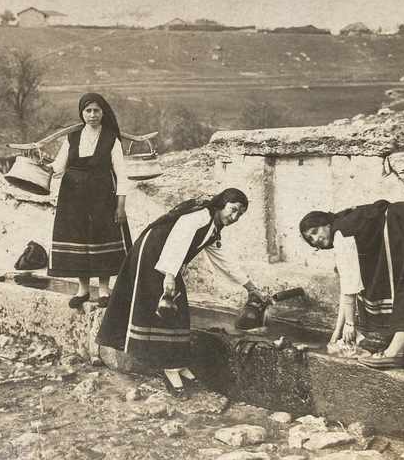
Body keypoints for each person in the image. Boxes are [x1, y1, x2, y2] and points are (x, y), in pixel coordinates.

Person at [96, 188, 268, 396]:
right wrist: (169, 276)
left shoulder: (213, 228)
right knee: (166, 311)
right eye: (232, 210)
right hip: (153, 255)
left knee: (176, 312)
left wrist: (250, 287)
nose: (234, 217)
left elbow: (223, 261)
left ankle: (178, 364)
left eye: (240, 214)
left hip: (167, 262)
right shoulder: (200, 216)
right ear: (220, 205)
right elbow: (177, 240)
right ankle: (170, 370)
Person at [298, 200, 404, 370]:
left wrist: (350, 324)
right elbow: (346, 285)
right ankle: (396, 349)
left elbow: (350, 285)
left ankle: (395, 353)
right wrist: (336, 333)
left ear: (326, 223)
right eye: (310, 239)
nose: (316, 239)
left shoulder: (341, 234)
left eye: (315, 232)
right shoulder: (345, 225)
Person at [46, 93, 132, 309]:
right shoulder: (72, 138)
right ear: (81, 113)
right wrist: (41, 165)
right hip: (72, 200)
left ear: (103, 113)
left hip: (102, 200)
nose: (92, 115)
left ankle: (104, 290)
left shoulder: (111, 139)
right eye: (88, 111)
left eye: (97, 111)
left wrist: (120, 206)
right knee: (78, 242)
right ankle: (83, 290)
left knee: (101, 240)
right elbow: (58, 167)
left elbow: (121, 175)